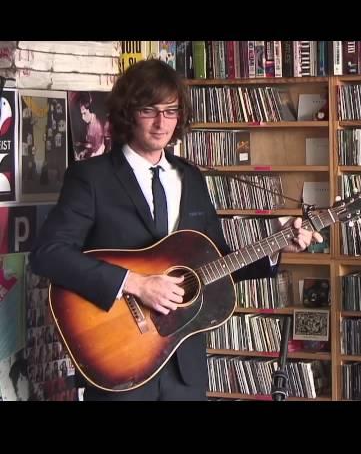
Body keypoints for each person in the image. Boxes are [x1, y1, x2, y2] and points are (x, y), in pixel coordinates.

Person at [29, 59, 322, 401]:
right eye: (149, 110)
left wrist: (277, 247)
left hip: (184, 367)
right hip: (120, 358)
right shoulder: (91, 178)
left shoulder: (192, 178)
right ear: (127, 113)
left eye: (170, 111)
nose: (161, 123)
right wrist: (137, 284)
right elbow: (48, 255)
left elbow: (217, 261)